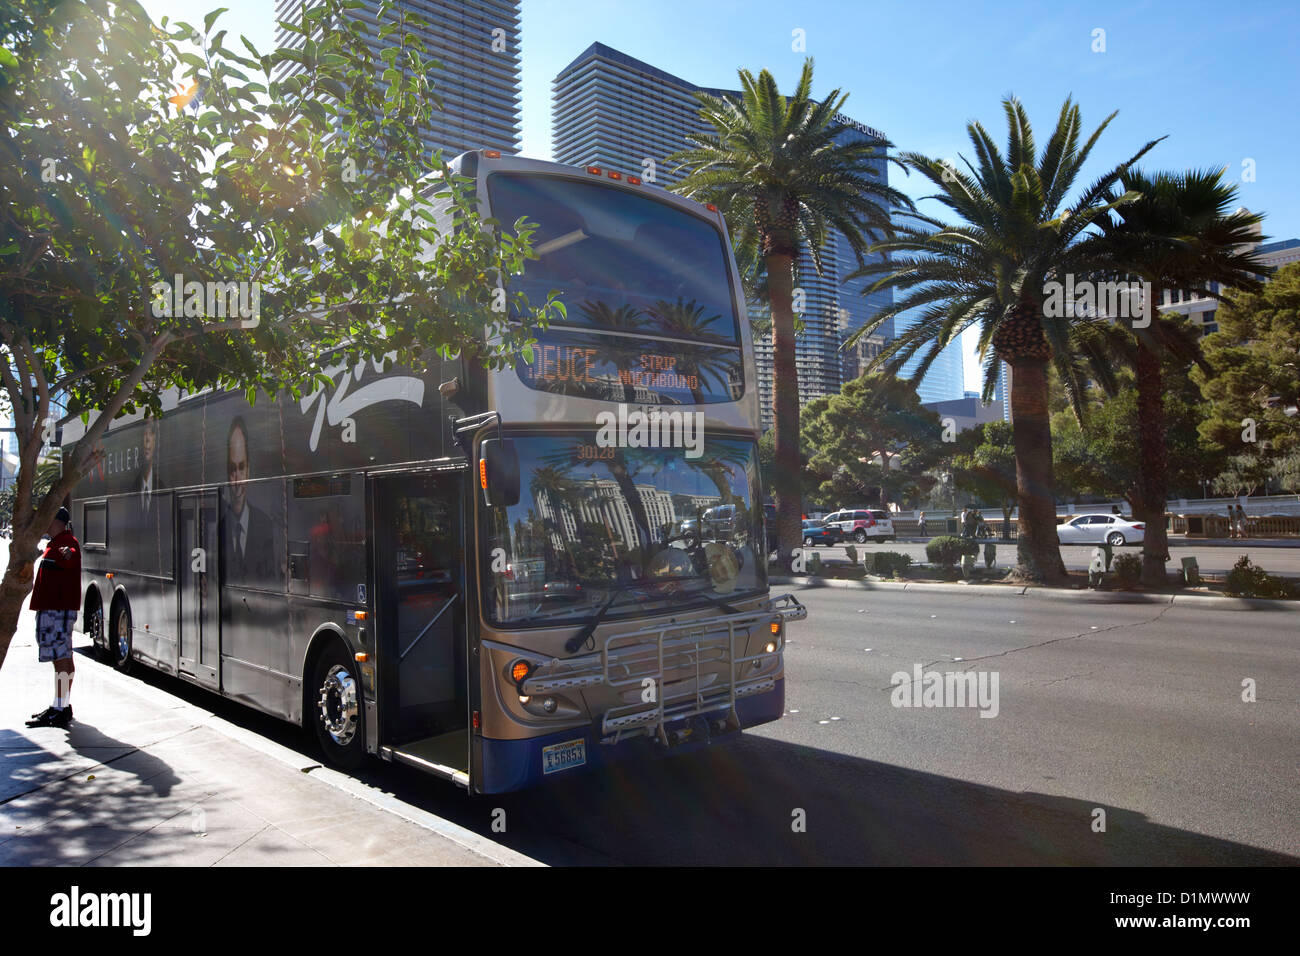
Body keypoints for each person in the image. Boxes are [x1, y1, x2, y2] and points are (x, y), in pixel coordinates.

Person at [27, 507, 82, 729]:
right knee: (62, 659)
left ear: (56, 521)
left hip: (57, 611)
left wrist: (65, 551)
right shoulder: (58, 543)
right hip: (56, 610)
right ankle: (60, 705)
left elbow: (69, 556)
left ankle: (59, 708)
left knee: (61, 660)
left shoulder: (65, 543)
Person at [222, 416, 279, 585]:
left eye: (241, 468)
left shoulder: (265, 525)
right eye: (232, 469)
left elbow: (270, 580)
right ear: (227, 472)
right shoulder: (220, 528)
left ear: (248, 470)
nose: (237, 479)